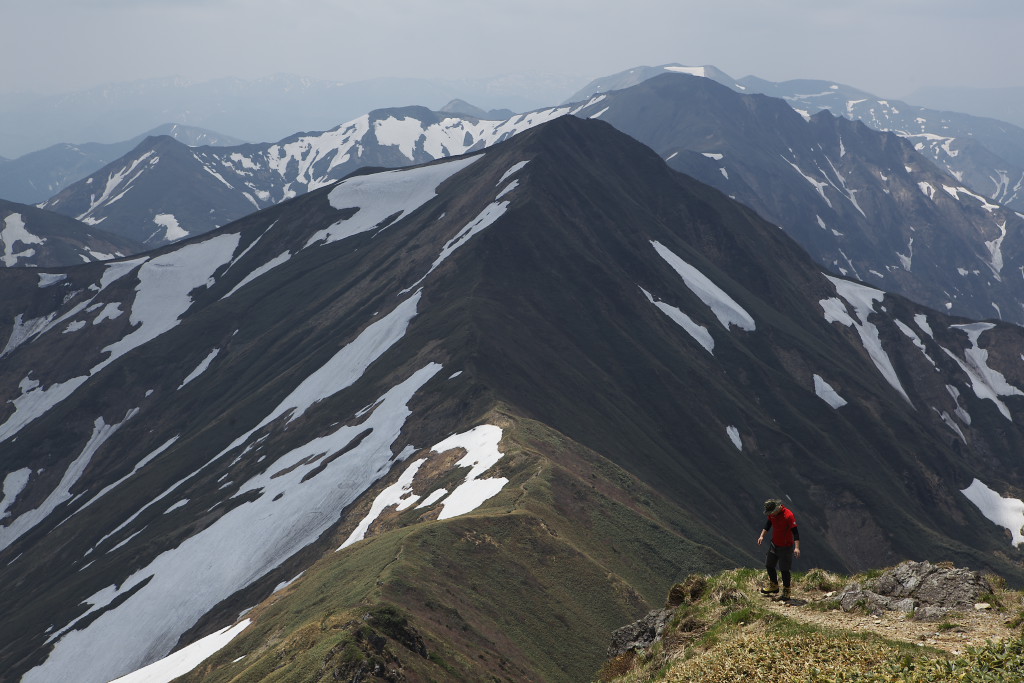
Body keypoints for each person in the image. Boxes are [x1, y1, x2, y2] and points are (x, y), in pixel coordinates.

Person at [757, 498, 800, 599]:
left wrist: (797, 547)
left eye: (772, 512)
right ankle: (774, 586)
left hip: (786, 546)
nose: (771, 514)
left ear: (777, 508)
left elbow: (795, 532)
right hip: (774, 544)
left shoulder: (788, 515)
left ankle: (786, 591)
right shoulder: (773, 514)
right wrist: (762, 536)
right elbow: (768, 524)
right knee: (769, 565)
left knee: (784, 569)